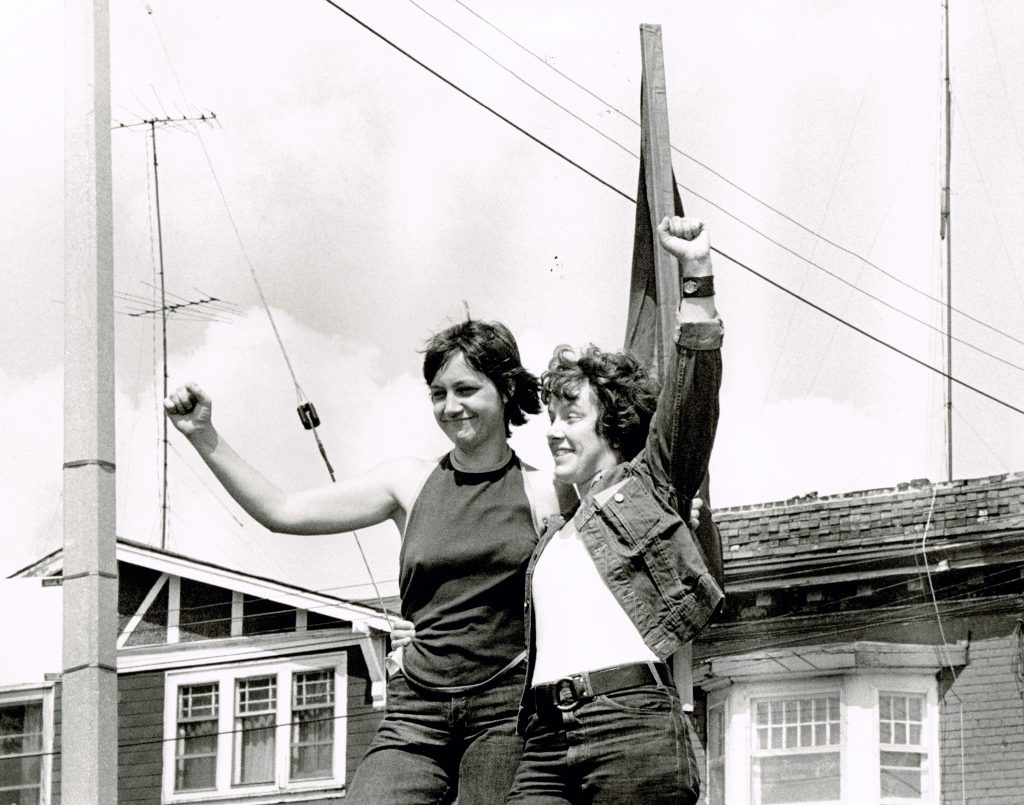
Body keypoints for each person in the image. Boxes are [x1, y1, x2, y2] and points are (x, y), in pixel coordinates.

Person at [164, 319, 575, 804]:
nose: (451, 406)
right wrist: (203, 434)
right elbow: (282, 511)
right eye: (438, 393)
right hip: (416, 710)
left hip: (505, 708)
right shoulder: (408, 483)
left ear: (505, 389)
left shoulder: (547, 492)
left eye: (467, 389)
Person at [506, 216, 724, 805]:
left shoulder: (648, 486)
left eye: (570, 415)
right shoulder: (551, 535)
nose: (553, 431)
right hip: (545, 741)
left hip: (630, 728)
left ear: (614, 421)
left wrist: (696, 274)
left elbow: (693, 397)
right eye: (549, 416)